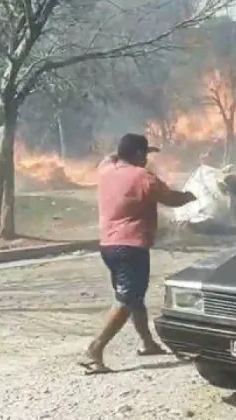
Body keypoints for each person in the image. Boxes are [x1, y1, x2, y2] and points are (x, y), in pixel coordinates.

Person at [79, 133, 196, 374]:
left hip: (108, 246)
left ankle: (148, 343)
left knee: (135, 297)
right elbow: (172, 199)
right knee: (127, 299)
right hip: (131, 246)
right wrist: (192, 195)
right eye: (145, 155)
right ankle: (96, 348)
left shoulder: (105, 169)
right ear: (139, 155)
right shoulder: (144, 177)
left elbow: (110, 156)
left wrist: (125, 151)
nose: (147, 160)